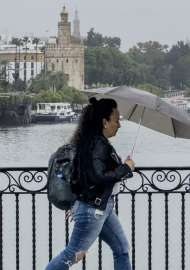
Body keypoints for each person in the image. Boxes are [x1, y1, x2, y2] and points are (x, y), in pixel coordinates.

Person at [45, 97, 135, 270]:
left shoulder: (91, 142)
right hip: (93, 209)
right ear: (105, 122)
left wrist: (123, 168)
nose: (119, 125)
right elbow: (98, 178)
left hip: (100, 206)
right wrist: (126, 168)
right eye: (116, 120)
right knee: (72, 255)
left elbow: (88, 176)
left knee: (122, 249)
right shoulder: (97, 145)